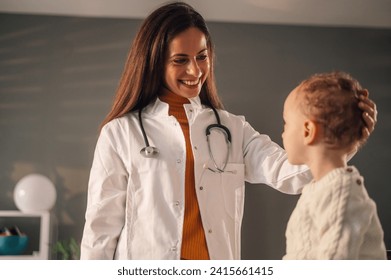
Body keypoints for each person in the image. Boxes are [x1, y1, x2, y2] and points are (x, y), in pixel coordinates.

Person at [80, 2, 377, 260]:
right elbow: (100, 229)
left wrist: (344, 138)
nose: (195, 71)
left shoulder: (232, 129)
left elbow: (294, 173)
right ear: (154, 62)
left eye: (202, 56)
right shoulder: (120, 133)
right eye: (180, 60)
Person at [282, 71, 386, 259]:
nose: (283, 133)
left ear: (308, 131)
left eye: (286, 124)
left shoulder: (341, 194)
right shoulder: (319, 189)